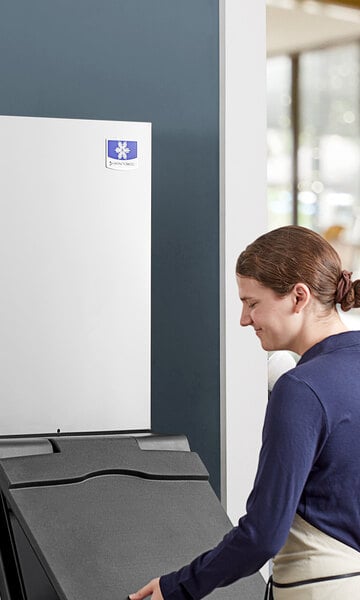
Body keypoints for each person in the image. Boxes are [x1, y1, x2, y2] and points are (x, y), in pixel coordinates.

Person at [129, 225, 360, 600]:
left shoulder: (301, 388)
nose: (244, 319)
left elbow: (263, 535)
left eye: (253, 303)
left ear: (298, 297)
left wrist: (176, 588)